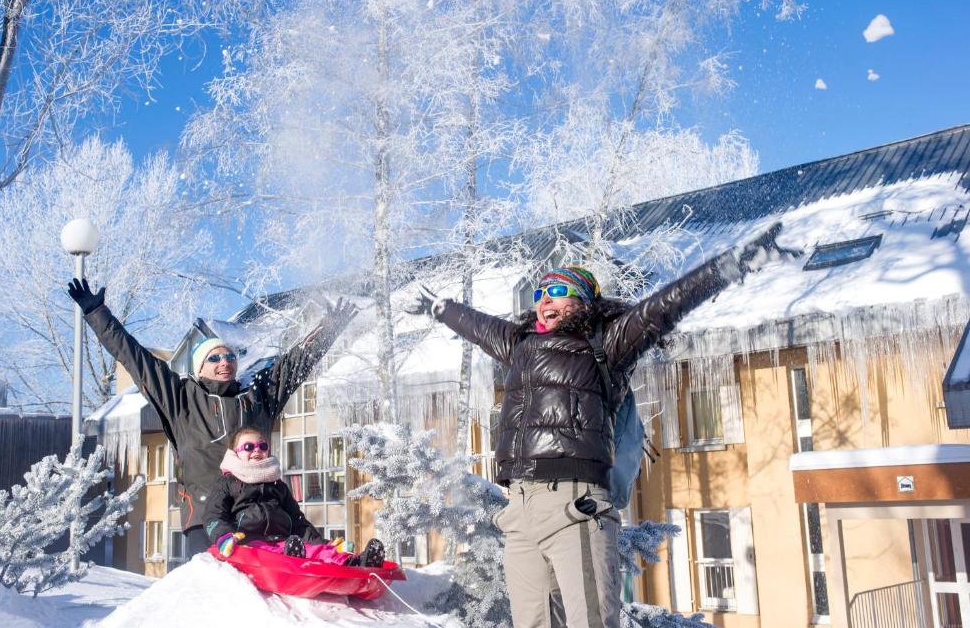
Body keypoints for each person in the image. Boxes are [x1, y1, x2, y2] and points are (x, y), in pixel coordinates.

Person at [405, 223, 799, 628]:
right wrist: (441, 308)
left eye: (558, 291)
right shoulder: (520, 344)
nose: (545, 301)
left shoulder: (606, 343)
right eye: (539, 294)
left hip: (575, 505)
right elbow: (478, 325)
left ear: (584, 300)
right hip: (520, 510)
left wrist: (732, 264)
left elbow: (663, 307)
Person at [67, 279, 357, 556]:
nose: (225, 363)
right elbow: (135, 358)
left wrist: (329, 328)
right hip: (206, 519)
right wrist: (97, 313)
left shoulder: (257, 397)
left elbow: (295, 363)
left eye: (230, 357)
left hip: (260, 518)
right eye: (215, 358)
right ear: (199, 368)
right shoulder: (180, 399)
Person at [204, 426, 385, 567]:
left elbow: (298, 522)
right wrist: (224, 536)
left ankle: (355, 563)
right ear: (236, 453)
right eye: (249, 447)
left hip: (284, 542)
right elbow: (213, 515)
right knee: (272, 552)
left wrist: (324, 544)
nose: (257, 450)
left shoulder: (278, 485)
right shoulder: (228, 483)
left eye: (262, 446)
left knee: (313, 550)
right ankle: (291, 559)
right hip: (249, 543)